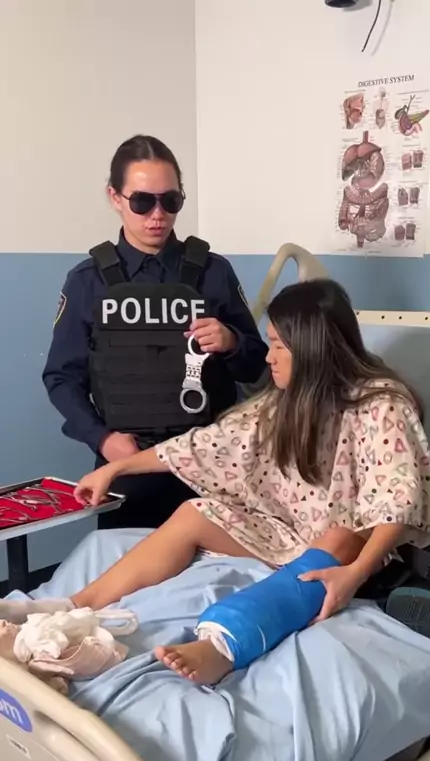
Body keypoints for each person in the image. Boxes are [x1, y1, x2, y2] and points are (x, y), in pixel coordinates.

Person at [3, 279, 430, 684]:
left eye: (278, 345)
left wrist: (355, 575)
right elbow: (207, 444)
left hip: (353, 550)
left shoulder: (381, 406)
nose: (268, 357)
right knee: (195, 512)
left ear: (311, 347)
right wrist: (116, 468)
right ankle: (72, 606)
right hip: (287, 531)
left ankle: (222, 646)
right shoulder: (288, 400)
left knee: (340, 536)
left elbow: (397, 501)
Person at [42, 134, 267, 529]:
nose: (158, 215)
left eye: (171, 201)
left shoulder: (214, 272)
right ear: (115, 197)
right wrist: (103, 440)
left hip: (209, 461)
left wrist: (231, 342)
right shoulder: (87, 282)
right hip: (128, 463)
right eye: (143, 201)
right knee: (127, 563)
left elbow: (256, 366)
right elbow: (61, 378)